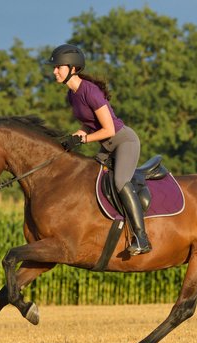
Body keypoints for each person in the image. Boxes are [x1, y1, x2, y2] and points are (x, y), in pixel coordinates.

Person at [47, 44, 151, 255]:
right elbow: (89, 123)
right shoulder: (72, 95)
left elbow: (109, 129)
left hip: (124, 142)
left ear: (72, 68)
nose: (54, 71)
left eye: (59, 67)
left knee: (120, 181)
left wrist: (84, 139)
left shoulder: (89, 91)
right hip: (106, 145)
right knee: (89, 176)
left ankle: (141, 238)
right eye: (54, 67)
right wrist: (74, 136)